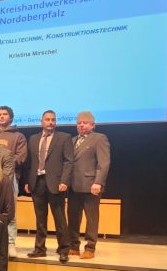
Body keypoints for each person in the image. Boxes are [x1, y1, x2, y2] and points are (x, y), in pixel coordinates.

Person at [24, 110, 73, 263]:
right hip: (37, 182)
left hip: (56, 183)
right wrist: (28, 181)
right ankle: (40, 249)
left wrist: (65, 181)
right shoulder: (33, 139)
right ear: (41, 121)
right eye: (47, 119)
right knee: (40, 219)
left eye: (53, 120)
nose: (50, 122)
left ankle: (63, 250)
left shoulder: (64, 137)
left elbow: (68, 161)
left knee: (60, 219)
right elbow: (30, 162)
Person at [68, 111, 111, 259]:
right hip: (73, 185)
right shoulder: (72, 140)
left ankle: (90, 247)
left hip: (91, 185)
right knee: (73, 217)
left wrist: (98, 182)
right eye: (79, 123)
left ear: (93, 125)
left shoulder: (99, 138)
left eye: (85, 123)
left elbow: (104, 163)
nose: (81, 125)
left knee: (91, 218)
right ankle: (74, 246)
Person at [0, 106, 28, 257]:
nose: (2, 117)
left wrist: (5, 164)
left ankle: (10, 242)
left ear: (11, 117)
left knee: (10, 210)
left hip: (11, 176)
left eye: (5, 114)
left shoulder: (18, 136)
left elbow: (21, 157)